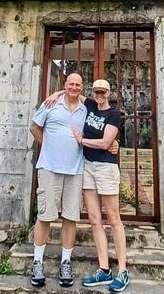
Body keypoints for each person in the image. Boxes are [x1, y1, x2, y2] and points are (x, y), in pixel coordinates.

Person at [45, 79, 130, 292]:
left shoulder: (113, 114)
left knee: (113, 218)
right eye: (97, 92)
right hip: (88, 166)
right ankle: (103, 269)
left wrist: (81, 140)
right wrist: (55, 94)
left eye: (103, 92)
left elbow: (104, 142)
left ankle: (122, 270)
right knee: (94, 219)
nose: (99, 95)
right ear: (93, 93)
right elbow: (72, 92)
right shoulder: (90, 105)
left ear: (109, 93)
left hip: (105, 168)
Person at [29, 73, 87, 287]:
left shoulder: (84, 108)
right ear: (65, 85)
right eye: (70, 84)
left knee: (71, 217)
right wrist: (48, 145)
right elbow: (34, 127)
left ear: (82, 88)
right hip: (49, 168)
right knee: (45, 216)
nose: (74, 87)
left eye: (77, 85)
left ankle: (65, 263)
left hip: (75, 170)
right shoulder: (50, 104)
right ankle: (37, 263)